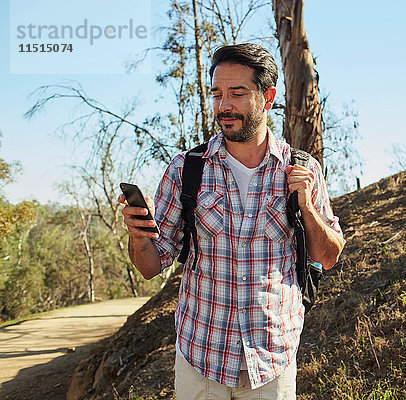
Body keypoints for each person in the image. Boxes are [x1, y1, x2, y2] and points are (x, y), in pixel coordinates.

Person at [119, 43, 344, 399]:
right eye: (217, 93)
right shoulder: (186, 170)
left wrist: (307, 208)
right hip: (201, 360)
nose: (224, 105)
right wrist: (138, 234)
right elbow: (150, 266)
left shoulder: (303, 169)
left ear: (267, 98)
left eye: (237, 93)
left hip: (272, 362)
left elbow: (328, 257)